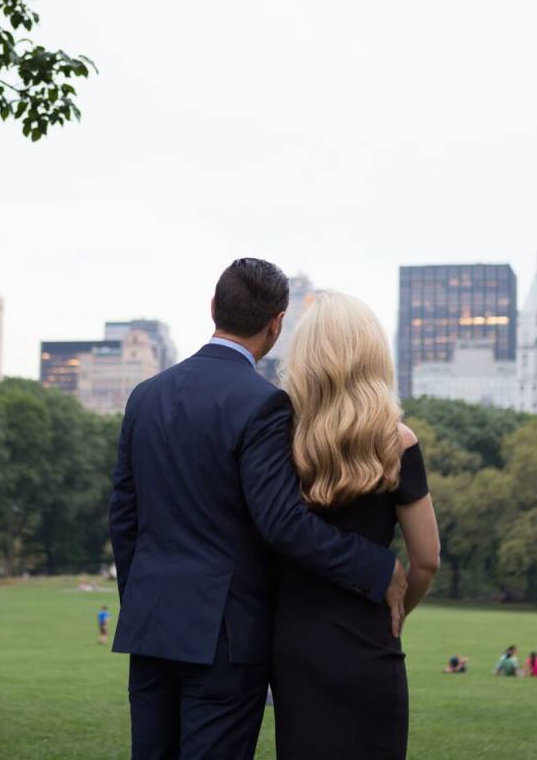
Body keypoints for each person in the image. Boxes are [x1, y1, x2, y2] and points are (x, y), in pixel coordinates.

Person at [109, 262, 409, 760]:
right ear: (276, 324)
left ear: (213, 308)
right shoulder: (264, 404)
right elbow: (282, 521)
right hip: (225, 639)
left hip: (152, 626)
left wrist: (146, 601)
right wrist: (376, 565)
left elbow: (123, 516)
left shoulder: (145, 397)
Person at [270, 291, 440, 759]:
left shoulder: (277, 437)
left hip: (295, 647)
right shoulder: (397, 440)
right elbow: (426, 559)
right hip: (370, 643)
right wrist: (397, 613)